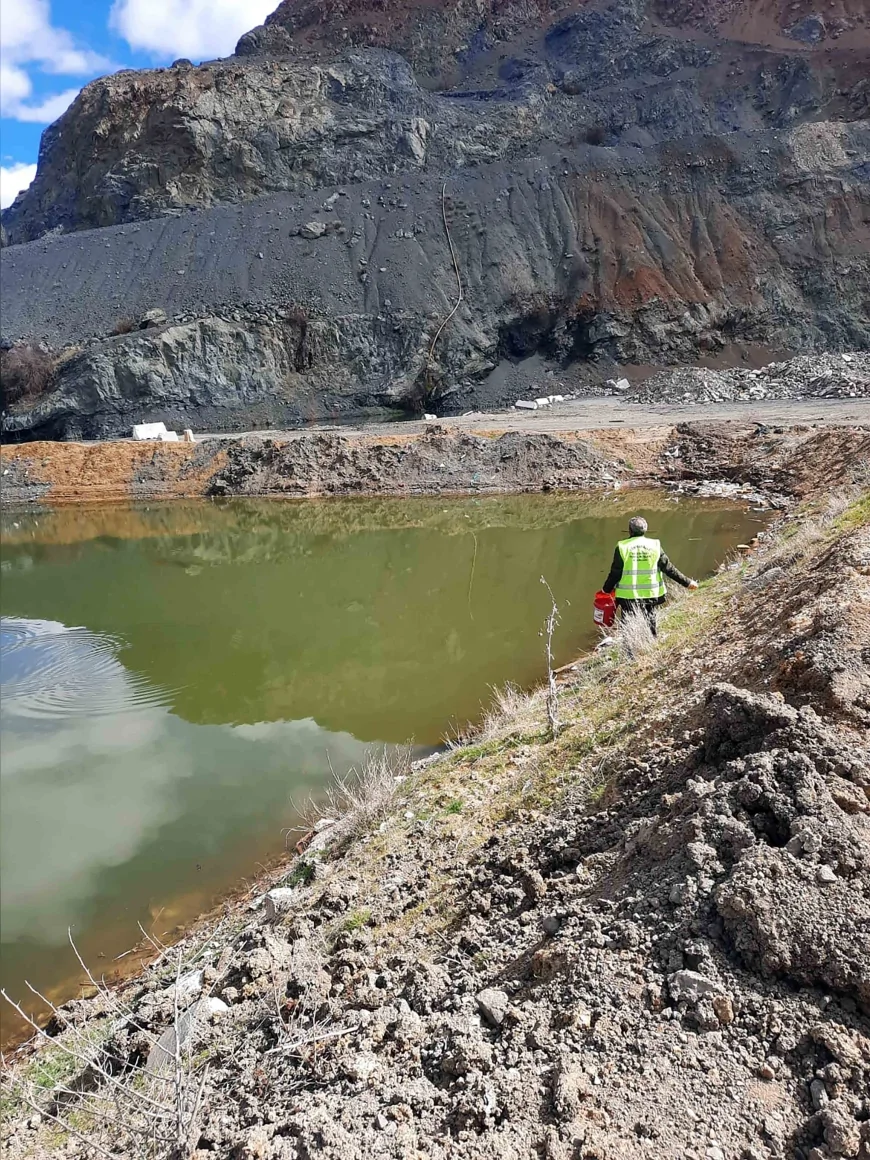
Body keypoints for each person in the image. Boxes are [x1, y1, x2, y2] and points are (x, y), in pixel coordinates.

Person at [602, 515, 698, 637]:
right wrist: (687, 583)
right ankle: (652, 642)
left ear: (630, 530)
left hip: (628, 596)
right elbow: (668, 569)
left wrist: (606, 590)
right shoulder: (655, 546)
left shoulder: (622, 547)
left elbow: (615, 573)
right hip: (651, 593)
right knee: (650, 619)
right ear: (645, 530)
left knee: (628, 623)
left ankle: (631, 648)